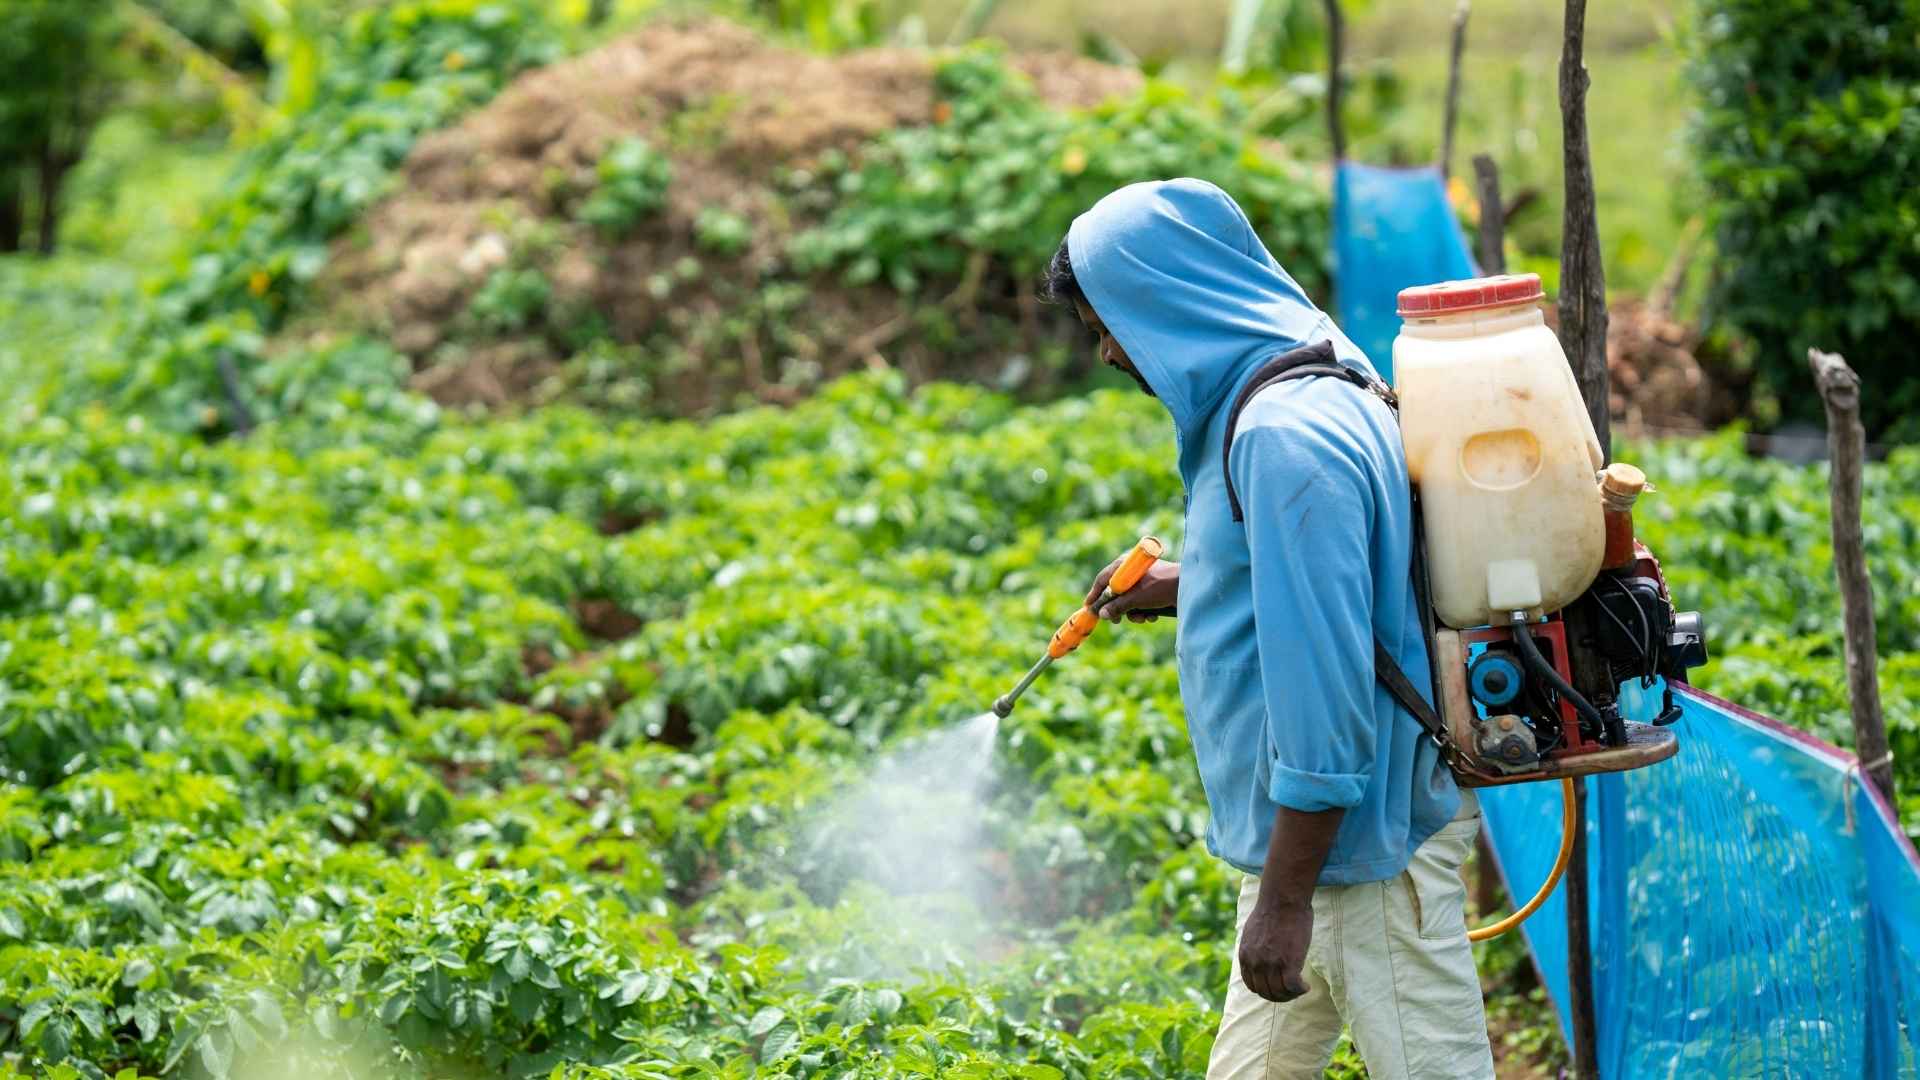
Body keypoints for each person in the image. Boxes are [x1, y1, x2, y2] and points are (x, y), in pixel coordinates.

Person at [1044, 178, 1494, 1079]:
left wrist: (1284, 900)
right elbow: (1340, 578)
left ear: (1169, 302)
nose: (1105, 353)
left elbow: (1326, 690)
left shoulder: (1282, 437)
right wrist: (1192, 584)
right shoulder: (1314, 361)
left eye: (1111, 323)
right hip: (1320, 844)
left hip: (1358, 854)